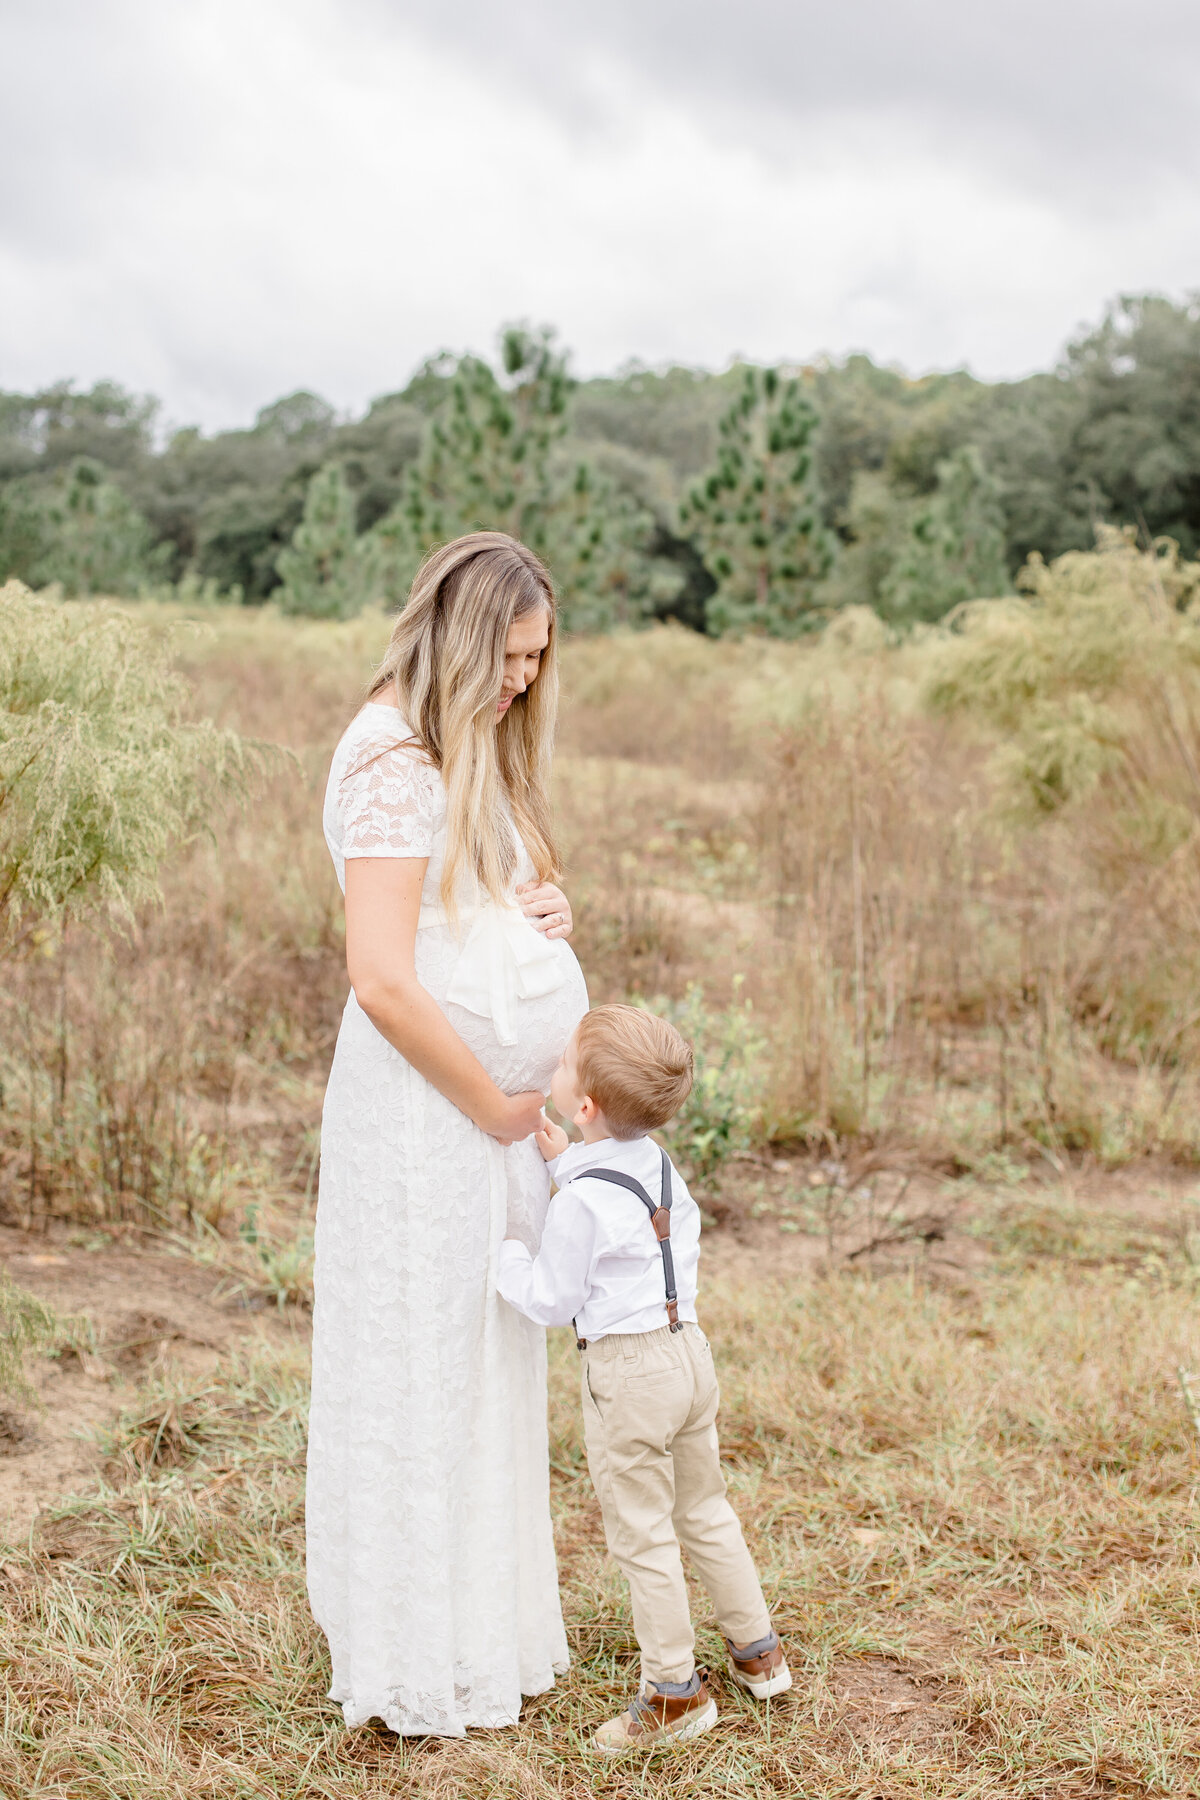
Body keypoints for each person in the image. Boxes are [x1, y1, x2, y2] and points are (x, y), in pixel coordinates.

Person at [306, 532, 589, 1737]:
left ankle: (479, 1627)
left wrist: (545, 911)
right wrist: (491, 1105)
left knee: (478, 1360)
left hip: (478, 1117)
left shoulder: (455, 742)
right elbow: (381, 975)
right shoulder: (390, 758)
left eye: (538, 658)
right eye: (512, 657)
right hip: (426, 1117)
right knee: (420, 1364)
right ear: (462, 639)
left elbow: (464, 911)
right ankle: (414, 1649)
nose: (525, 679)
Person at [496, 1003, 791, 1754]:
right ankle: (758, 1652)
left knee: (645, 1537)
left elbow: (550, 1299)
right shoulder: (655, 1160)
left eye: (565, 1062)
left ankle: (673, 1694)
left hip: (627, 1373)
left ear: (584, 1106)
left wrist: (505, 1258)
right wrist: (564, 1162)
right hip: (688, 1351)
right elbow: (620, 1206)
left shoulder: (580, 1203)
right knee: (706, 1510)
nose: (555, 1065)